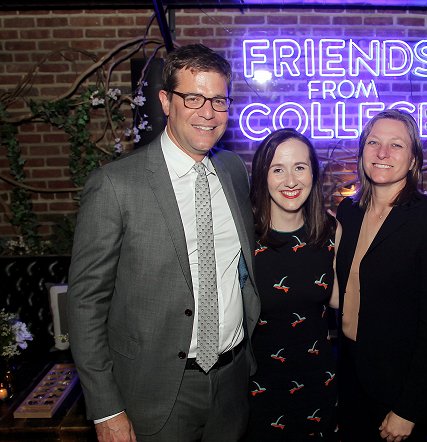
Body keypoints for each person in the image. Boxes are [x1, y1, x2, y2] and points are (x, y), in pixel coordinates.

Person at [67, 44, 260, 442]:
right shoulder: (116, 185)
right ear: (165, 101)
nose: (208, 112)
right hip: (154, 393)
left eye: (219, 100)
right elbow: (85, 304)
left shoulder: (233, 171)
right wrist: (105, 409)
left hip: (232, 383)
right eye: (193, 98)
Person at [334, 109, 427, 442]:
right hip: (347, 374)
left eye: (396, 145)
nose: (383, 153)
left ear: (413, 158)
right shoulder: (348, 212)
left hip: (396, 385)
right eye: (373, 142)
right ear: (362, 152)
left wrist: (409, 407)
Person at [244, 128, 337, 441]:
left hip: (319, 385)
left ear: (313, 171)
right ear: (262, 175)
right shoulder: (243, 237)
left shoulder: (330, 232)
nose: (291, 181)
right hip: (259, 392)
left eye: (300, 167)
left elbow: (345, 302)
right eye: (278, 169)